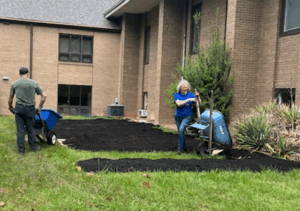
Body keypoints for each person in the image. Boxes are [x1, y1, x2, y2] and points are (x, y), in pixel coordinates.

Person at [8, 67, 47, 155]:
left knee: (20, 129)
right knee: (30, 128)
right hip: (30, 109)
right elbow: (44, 96)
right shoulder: (34, 83)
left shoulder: (15, 84)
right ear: (28, 74)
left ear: (19, 74)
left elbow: (10, 98)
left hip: (19, 108)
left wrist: (10, 107)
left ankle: (21, 150)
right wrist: (40, 107)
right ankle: (33, 147)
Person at [174, 80, 201, 154]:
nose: (185, 88)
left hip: (187, 116)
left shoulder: (191, 94)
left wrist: (197, 96)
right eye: (183, 87)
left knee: (181, 129)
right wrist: (188, 99)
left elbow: (199, 102)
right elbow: (179, 104)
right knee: (181, 132)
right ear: (180, 87)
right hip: (178, 116)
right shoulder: (177, 95)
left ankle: (179, 149)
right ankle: (183, 148)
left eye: (186, 87)